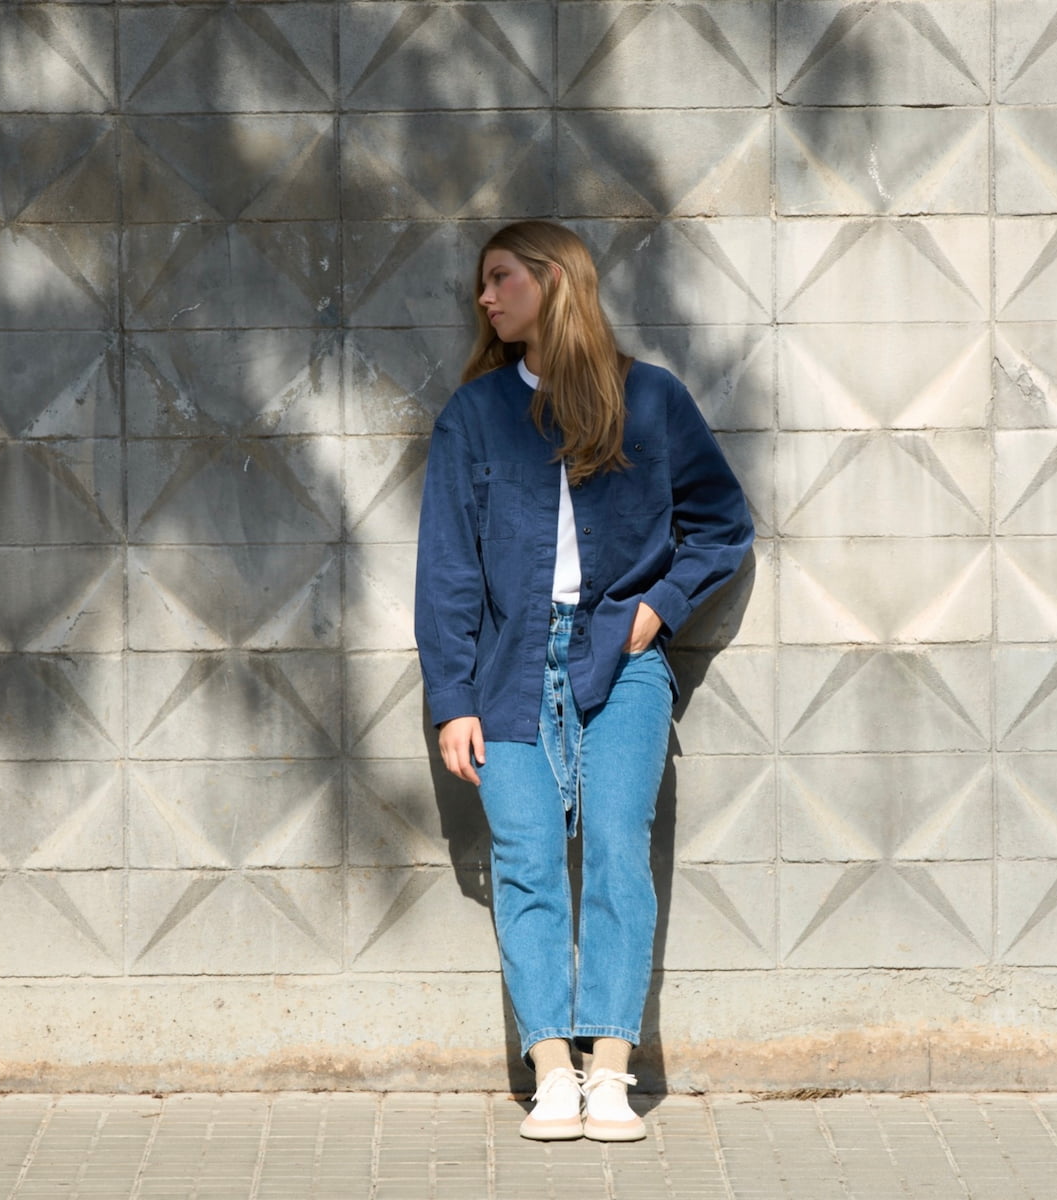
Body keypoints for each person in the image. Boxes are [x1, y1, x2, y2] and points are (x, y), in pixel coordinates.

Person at [415, 220, 753, 1142]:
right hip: (507, 669)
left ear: (555, 280)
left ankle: (610, 1072)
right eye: (483, 282)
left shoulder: (652, 399)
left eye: (501, 277)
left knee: (614, 848)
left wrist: (659, 609)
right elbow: (447, 571)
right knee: (526, 859)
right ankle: (551, 1073)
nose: (485, 297)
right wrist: (452, 701)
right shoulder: (474, 415)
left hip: (622, 661)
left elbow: (723, 525)